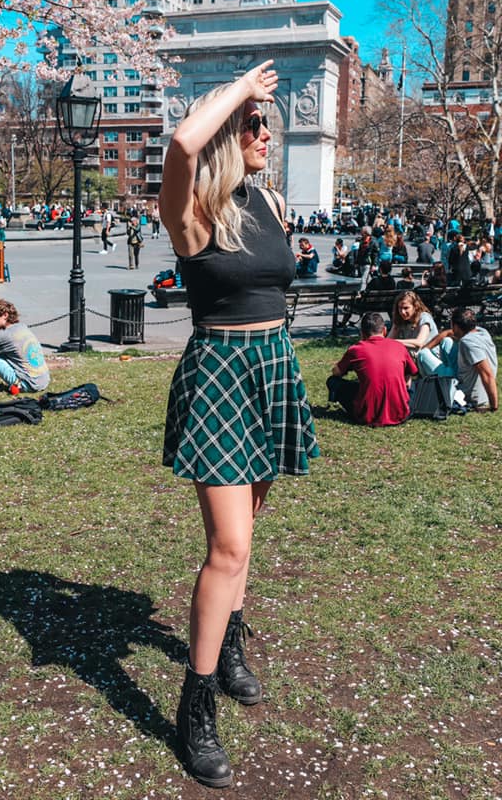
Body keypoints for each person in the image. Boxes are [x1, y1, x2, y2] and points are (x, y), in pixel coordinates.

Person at [159, 61, 319, 789]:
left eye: (268, 124)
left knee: (246, 533)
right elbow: (181, 145)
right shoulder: (189, 210)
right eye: (253, 125)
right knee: (227, 547)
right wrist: (236, 95)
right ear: (228, 129)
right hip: (221, 370)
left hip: (273, 365)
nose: (265, 133)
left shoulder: (274, 203)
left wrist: (250, 108)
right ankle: (195, 708)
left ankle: (228, 648)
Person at [327, 311, 417, 426]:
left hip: (366, 415)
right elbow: (411, 372)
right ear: (384, 330)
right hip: (400, 414)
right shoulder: (399, 346)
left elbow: (337, 372)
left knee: (333, 382)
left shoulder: (356, 349)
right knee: (412, 385)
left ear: (362, 333)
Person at [418, 308, 498, 412]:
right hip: (464, 376)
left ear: (455, 325)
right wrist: (428, 346)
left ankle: (438, 389)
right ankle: (444, 382)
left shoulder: (469, 343)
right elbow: (447, 333)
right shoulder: (482, 332)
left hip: (467, 394)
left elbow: (487, 374)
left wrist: (493, 407)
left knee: (422, 354)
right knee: (446, 341)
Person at [0, 298, 50, 393]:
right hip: (44, 380)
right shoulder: (22, 327)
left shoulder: (5, 336)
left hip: (29, 384)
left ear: (5, 315)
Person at [388, 290, 438, 354]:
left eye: (406, 308)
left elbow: (419, 343)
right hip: (413, 356)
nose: (402, 312)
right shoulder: (400, 319)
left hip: (429, 356)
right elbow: (389, 340)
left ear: (415, 306)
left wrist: (395, 342)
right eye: (400, 308)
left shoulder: (424, 317)